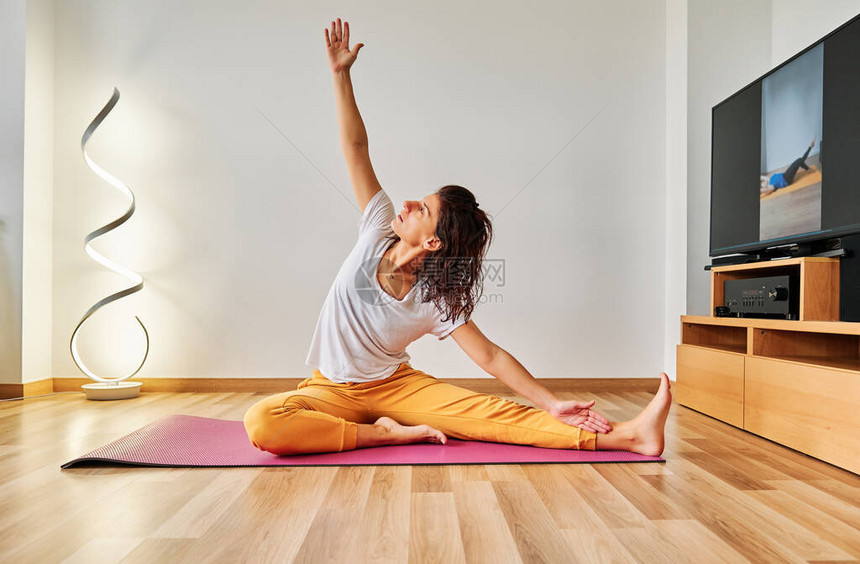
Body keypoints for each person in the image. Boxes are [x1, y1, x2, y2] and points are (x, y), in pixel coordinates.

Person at [242, 17, 671, 457]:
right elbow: (355, 148)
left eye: (421, 209)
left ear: (433, 243)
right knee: (262, 421)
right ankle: (383, 434)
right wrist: (341, 75)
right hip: (328, 389)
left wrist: (551, 402)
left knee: (486, 413)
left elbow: (490, 357)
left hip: (396, 389)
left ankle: (629, 436)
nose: (406, 204)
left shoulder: (433, 296)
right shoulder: (376, 228)